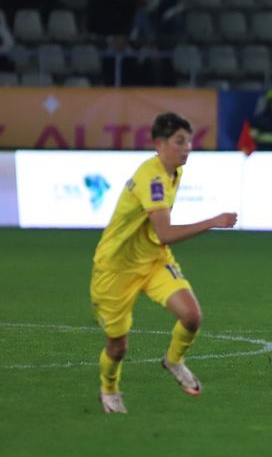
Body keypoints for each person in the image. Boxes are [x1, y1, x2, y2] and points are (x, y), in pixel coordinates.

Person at [90, 112, 238, 414]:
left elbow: (158, 238)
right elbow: (166, 232)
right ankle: (109, 389)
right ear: (159, 143)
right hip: (116, 268)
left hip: (154, 259)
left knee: (192, 316)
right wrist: (213, 221)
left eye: (189, 142)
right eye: (179, 142)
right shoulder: (152, 179)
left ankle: (173, 360)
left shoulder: (175, 172)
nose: (187, 148)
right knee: (117, 347)